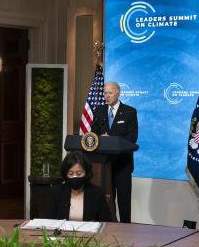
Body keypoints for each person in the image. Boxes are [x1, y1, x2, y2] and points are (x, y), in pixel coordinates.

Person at [90, 81, 138, 223]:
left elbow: (132, 137)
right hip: (103, 166)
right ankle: (108, 227)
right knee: (106, 200)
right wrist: (100, 138)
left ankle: (125, 229)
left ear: (118, 93)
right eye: (105, 93)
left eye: (110, 93)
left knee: (123, 201)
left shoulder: (130, 112)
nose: (107, 96)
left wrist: (111, 139)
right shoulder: (99, 110)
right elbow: (93, 134)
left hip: (123, 165)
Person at [45, 151, 112, 222]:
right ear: (65, 174)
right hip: (63, 232)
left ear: (86, 173)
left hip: (88, 232)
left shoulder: (97, 193)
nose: (75, 176)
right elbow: (49, 222)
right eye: (71, 173)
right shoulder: (56, 192)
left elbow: (107, 222)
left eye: (79, 173)